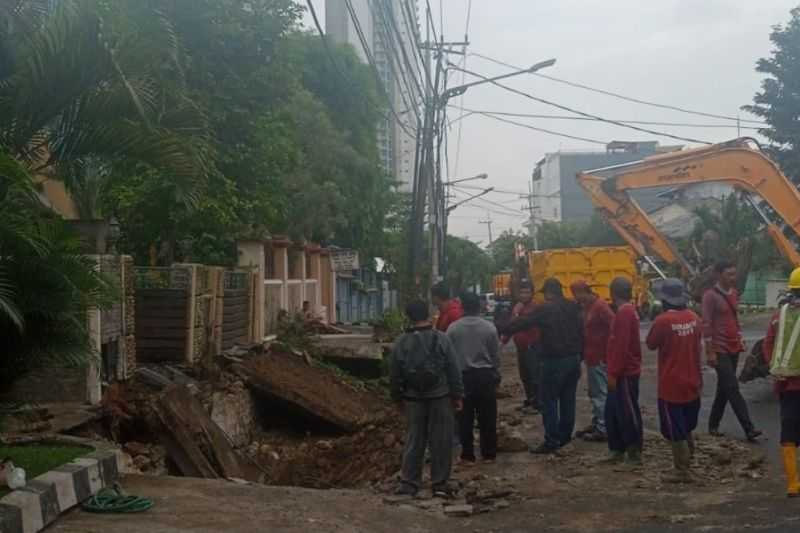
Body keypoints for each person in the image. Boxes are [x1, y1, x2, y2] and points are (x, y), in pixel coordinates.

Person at [499, 278, 583, 454]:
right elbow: (583, 331)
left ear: (549, 293)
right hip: (573, 360)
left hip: (554, 361)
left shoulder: (545, 309)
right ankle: (565, 437)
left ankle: (551, 440)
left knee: (549, 400)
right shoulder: (573, 306)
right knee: (568, 400)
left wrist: (502, 327)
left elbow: (523, 323)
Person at [389, 300, 464, 497]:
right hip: (440, 397)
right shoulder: (442, 339)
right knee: (441, 440)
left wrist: (397, 398)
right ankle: (439, 483)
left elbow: (395, 374)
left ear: (408, 317)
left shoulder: (401, 342)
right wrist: (457, 395)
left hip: (413, 399)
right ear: (429, 314)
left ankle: (409, 482)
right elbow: (453, 370)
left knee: (414, 440)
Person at [646, 278, 702, 483]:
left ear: (664, 299)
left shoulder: (662, 321)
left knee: (674, 429)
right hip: (693, 381)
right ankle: (690, 457)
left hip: (671, 385)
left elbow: (651, 344)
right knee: (686, 425)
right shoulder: (695, 318)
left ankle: (682, 471)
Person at [702, 260, 762, 441]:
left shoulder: (734, 293)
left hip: (733, 346)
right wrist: (710, 351)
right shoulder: (710, 296)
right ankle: (749, 428)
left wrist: (740, 337)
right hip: (719, 348)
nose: (733, 278)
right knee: (732, 387)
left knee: (724, 388)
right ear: (718, 275)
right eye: (729, 274)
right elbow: (706, 324)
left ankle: (712, 425)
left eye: (734, 274)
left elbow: (734, 319)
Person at [447, 292, 501, 464]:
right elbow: (495, 355)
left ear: (462, 307)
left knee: (464, 418)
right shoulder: (489, 327)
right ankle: (489, 454)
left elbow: (449, 356)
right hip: (485, 376)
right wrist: (495, 372)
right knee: (488, 417)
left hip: (463, 377)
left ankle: (467, 455)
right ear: (479, 307)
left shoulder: (453, 328)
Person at [762, 267, 800, 498]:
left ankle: (793, 484)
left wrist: (776, 367)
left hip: (786, 385)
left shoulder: (780, 315)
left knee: (789, 432)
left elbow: (768, 344)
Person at [605, 277, 644, 465]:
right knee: (614, 411)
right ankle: (618, 449)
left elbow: (621, 346)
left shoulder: (623, 313)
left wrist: (613, 372)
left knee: (627, 412)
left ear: (612, 294)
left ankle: (633, 450)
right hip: (623, 370)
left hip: (624, 372)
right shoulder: (628, 311)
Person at [571, 280, 614, 442]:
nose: (576, 298)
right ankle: (598, 422)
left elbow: (614, 326)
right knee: (594, 392)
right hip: (592, 357)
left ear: (584, 292)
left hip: (600, 357)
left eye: (577, 294)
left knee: (600, 393)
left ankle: (603, 428)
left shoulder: (600, 307)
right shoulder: (588, 307)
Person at [505, 281, 542, 414]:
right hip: (521, 348)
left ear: (532, 293)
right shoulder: (518, 307)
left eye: (527, 292)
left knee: (534, 375)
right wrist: (504, 340)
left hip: (532, 347)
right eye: (522, 292)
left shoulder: (535, 308)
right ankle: (530, 400)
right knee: (525, 376)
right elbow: (511, 326)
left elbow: (519, 322)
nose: (524, 295)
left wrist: (516, 313)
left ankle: (538, 404)